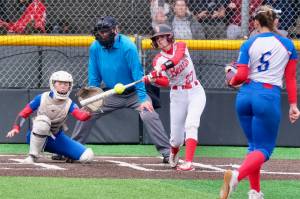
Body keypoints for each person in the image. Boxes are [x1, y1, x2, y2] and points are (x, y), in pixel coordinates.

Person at [219, 5, 300, 199]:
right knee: (264, 149)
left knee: (254, 147)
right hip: (267, 95)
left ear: (255, 23)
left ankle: (255, 192)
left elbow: (242, 76)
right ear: (275, 22)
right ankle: (237, 176)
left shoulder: (249, 43)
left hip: (245, 95)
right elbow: (290, 79)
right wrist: (293, 105)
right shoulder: (288, 44)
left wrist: (231, 77)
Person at [71, 16, 171, 163]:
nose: (103, 35)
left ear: (115, 30)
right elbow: (94, 76)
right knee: (87, 111)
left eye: (106, 31)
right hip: (112, 93)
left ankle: (167, 153)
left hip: (135, 93)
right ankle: (72, 149)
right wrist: (93, 96)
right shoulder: (95, 47)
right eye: (100, 32)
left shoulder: (127, 46)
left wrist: (143, 99)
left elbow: (137, 74)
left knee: (148, 114)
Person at [144, 24, 206, 171]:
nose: (159, 40)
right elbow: (166, 82)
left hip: (196, 90)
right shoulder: (157, 60)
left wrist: (162, 68)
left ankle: (188, 162)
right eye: (157, 38)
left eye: (162, 37)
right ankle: (173, 152)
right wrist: (153, 79)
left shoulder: (181, 46)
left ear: (169, 36)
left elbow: (177, 59)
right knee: (176, 139)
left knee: (192, 124)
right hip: (178, 95)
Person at [6, 71, 94, 164]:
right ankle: (32, 156)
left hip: (56, 138)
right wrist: (16, 128)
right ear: (53, 84)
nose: (63, 86)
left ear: (70, 86)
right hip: (35, 136)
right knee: (43, 121)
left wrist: (90, 111)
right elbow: (23, 113)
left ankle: (64, 153)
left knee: (88, 156)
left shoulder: (69, 103)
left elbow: (81, 116)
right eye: (60, 83)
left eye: (66, 83)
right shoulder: (42, 98)